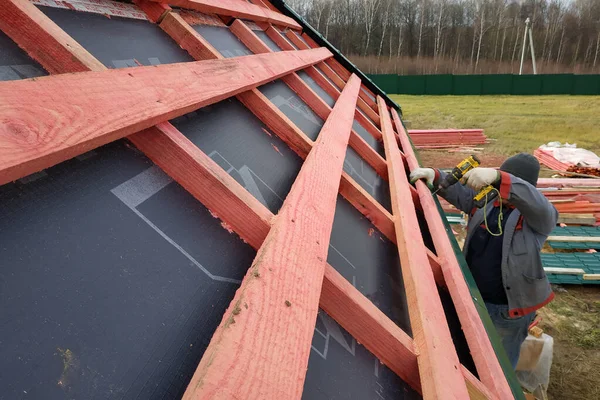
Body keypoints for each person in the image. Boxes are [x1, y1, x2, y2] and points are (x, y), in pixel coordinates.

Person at [410, 153, 558, 368]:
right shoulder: (489, 201)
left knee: (498, 365)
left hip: (507, 310)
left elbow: (537, 203)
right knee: (468, 352)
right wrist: (435, 175)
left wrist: (499, 178)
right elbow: (462, 194)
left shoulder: (538, 217)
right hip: (473, 297)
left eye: (505, 183)